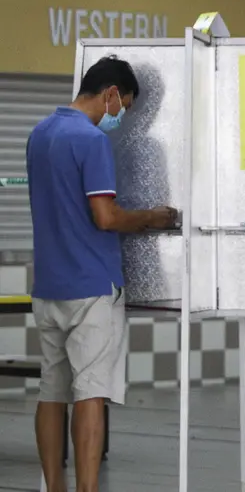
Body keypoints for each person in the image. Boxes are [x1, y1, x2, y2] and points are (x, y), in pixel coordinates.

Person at [26, 55, 178, 492]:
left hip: (49, 285)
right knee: (90, 392)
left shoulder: (39, 134)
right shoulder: (92, 142)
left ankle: (54, 486)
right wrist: (153, 216)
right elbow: (106, 218)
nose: (122, 115)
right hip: (92, 286)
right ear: (111, 94)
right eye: (124, 105)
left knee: (51, 391)